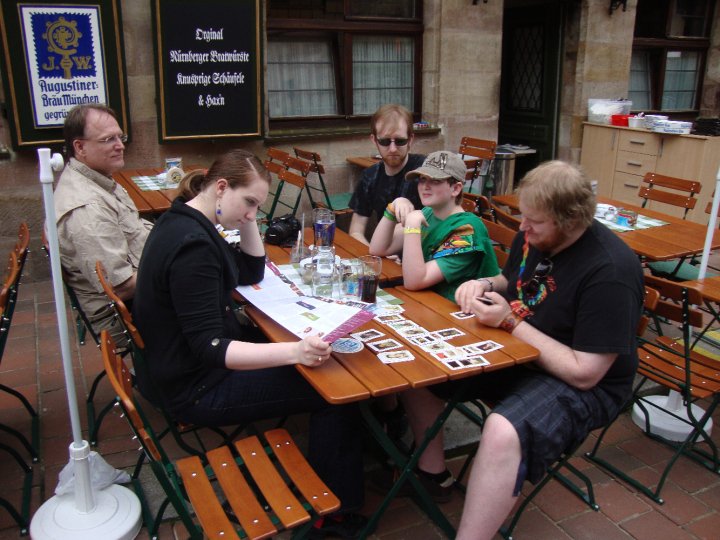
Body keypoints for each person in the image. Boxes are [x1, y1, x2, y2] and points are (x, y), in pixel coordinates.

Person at [132, 149, 367, 539]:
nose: (252, 213)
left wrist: (246, 216)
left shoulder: (185, 219)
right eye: (250, 202)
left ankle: (342, 465)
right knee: (335, 391)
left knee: (310, 359)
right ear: (221, 187)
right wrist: (295, 352)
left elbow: (249, 269)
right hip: (197, 388)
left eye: (258, 205)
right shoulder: (194, 246)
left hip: (179, 369)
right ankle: (334, 516)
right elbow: (212, 348)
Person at [400, 160, 644, 533]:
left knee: (502, 430)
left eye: (535, 221)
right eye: (523, 217)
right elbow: (511, 280)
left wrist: (510, 322)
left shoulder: (610, 271)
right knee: (421, 369)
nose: (523, 228)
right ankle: (434, 476)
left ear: (571, 220)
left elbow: (585, 372)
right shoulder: (534, 235)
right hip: (521, 351)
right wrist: (484, 284)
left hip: (583, 381)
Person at [54, 104, 152, 346]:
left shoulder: (97, 179)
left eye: (120, 137)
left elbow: (135, 230)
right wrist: (174, 265)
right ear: (80, 147)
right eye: (108, 139)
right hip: (126, 319)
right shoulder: (88, 208)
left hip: (138, 298)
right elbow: (122, 287)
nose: (120, 145)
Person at [369, 150, 499, 301]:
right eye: (422, 179)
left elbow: (414, 281)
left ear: (456, 189)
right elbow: (378, 249)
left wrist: (412, 225)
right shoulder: (429, 212)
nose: (425, 186)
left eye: (435, 181)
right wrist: (393, 208)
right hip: (427, 302)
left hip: (458, 313)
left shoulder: (466, 231)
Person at [348, 104, 425, 245]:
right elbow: (356, 231)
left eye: (400, 141)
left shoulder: (425, 172)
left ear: (411, 139)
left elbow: (436, 225)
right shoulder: (370, 176)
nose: (393, 148)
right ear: (374, 140)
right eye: (384, 141)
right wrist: (377, 256)